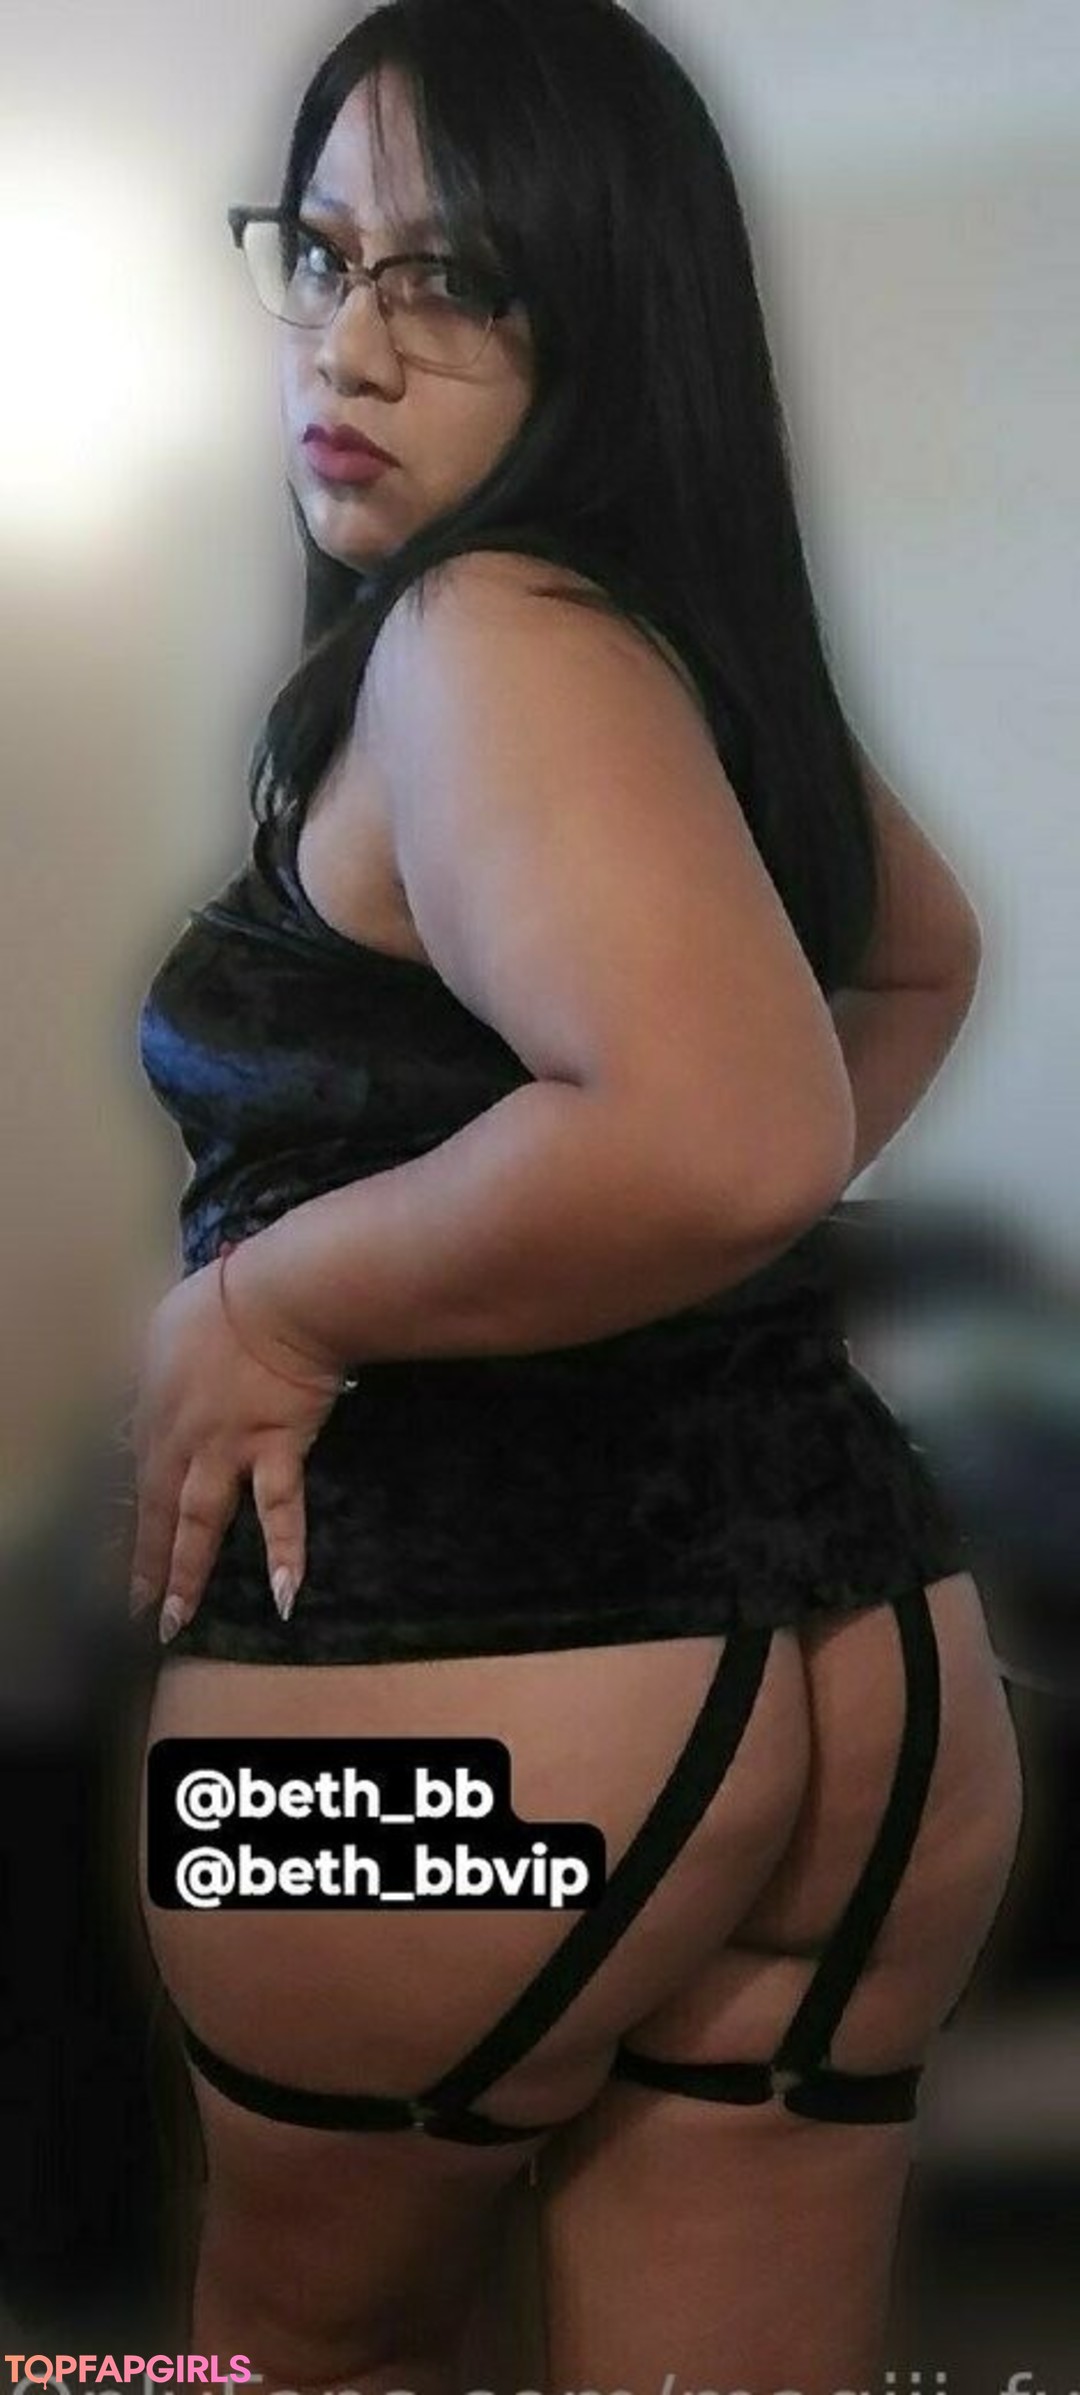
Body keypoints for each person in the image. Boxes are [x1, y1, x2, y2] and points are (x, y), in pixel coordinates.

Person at [127, 2, 1024, 2387]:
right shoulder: (658, 639)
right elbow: (907, 962)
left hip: (475, 1689)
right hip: (873, 1668)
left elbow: (723, 1130)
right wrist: (683, 1257)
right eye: (324, 255)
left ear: (607, 319)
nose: (350, 342)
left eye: (458, 280)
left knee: (292, 2351)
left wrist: (278, 1304)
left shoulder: (482, 636)